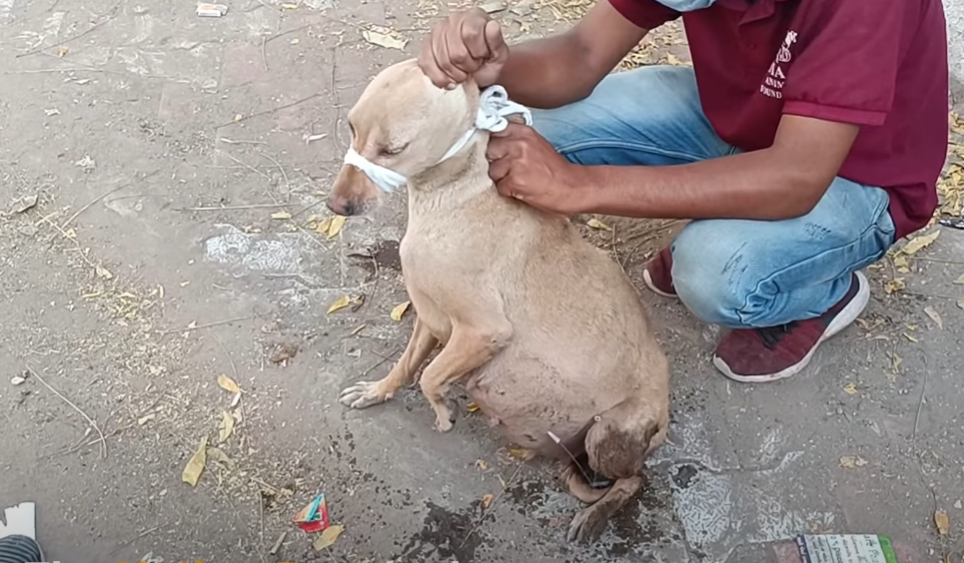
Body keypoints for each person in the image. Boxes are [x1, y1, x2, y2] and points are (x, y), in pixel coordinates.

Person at [417, 0, 950, 383]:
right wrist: (494, 66)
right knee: (532, 128)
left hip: (855, 177)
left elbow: (796, 177)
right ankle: (734, 214)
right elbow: (580, 54)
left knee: (716, 273)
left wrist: (578, 186)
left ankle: (824, 293)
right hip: (743, 121)